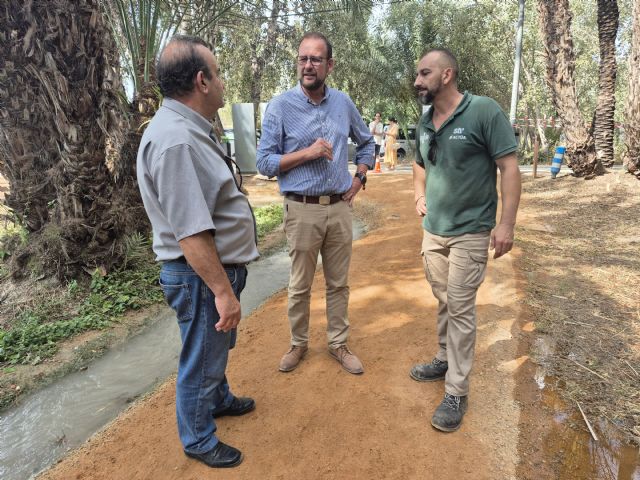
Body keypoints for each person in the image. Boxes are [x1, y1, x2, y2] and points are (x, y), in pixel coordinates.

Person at [136, 35, 259, 468]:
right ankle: (198, 439)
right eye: (219, 72)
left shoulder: (188, 129)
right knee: (201, 357)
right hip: (201, 275)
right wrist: (223, 292)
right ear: (202, 81)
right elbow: (191, 233)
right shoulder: (177, 142)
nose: (224, 82)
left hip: (210, 273)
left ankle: (219, 398)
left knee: (213, 348)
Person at [410, 48, 521, 432]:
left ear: (447, 75)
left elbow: (509, 167)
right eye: (417, 75)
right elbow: (418, 164)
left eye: (424, 74)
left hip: (471, 232)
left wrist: (506, 224)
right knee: (445, 299)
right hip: (433, 232)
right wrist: (418, 195)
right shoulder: (425, 120)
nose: (417, 81)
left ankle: (457, 390)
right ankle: (444, 357)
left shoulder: (484, 111)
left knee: (459, 306)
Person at [257, 32, 375, 375]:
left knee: (339, 283)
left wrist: (359, 178)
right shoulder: (279, 106)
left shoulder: (343, 103)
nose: (308, 65)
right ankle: (298, 344)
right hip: (301, 208)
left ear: (329, 65)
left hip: (339, 208)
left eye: (316, 59)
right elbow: (264, 162)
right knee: (300, 284)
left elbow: (367, 144)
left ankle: (338, 343)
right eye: (303, 59)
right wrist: (307, 153)